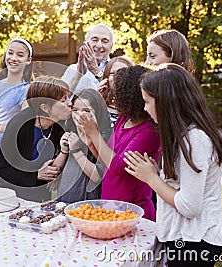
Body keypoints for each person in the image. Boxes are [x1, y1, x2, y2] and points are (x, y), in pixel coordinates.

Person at [124, 63, 222, 267]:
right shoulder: (182, 136)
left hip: (195, 243)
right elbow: (182, 186)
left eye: (147, 102)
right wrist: (159, 175)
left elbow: (189, 206)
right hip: (184, 238)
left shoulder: (195, 140)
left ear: (166, 102)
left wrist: (152, 179)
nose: (145, 109)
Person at [78, 65, 160, 221]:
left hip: (133, 211)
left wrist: (95, 133)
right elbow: (108, 160)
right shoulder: (124, 119)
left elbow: (118, 166)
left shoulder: (150, 130)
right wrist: (90, 143)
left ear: (131, 95)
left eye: (118, 94)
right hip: (110, 205)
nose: (114, 98)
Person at [0, 76, 72, 201]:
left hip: (40, 193)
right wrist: (36, 175)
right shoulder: (18, 125)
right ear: (45, 108)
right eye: (63, 100)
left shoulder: (62, 124)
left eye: (68, 98)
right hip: (13, 195)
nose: (70, 103)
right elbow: (1, 168)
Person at [54, 89, 112, 203]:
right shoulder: (70, 131)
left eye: (86, 110)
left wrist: (76, 151)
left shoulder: (106, 137)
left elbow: (97, 177)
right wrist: (64, 151)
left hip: (88, 203)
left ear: (97, 112)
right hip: (65, 197)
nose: (80, 115)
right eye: (75, 110)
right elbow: (55, 171)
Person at [0, 37, 33, 164]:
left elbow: (23, 128)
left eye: (20, 55)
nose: (13, 58)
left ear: (28, 60)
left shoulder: (27, 90)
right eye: (10, 53)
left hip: (9, 152)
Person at [61, 23, 114, 94]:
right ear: (85, 44)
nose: (99, 45)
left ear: (111, 46)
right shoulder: (72, 69)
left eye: (105, 41)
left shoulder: (116, 69)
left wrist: (96, 71)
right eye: (95, 40)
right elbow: (59, 100)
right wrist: (78, 75)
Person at [97, 56, 134, 127]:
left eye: (123, 72)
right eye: (112, 73)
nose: (117, 76)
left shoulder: (138, 108)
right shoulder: (99, 106)